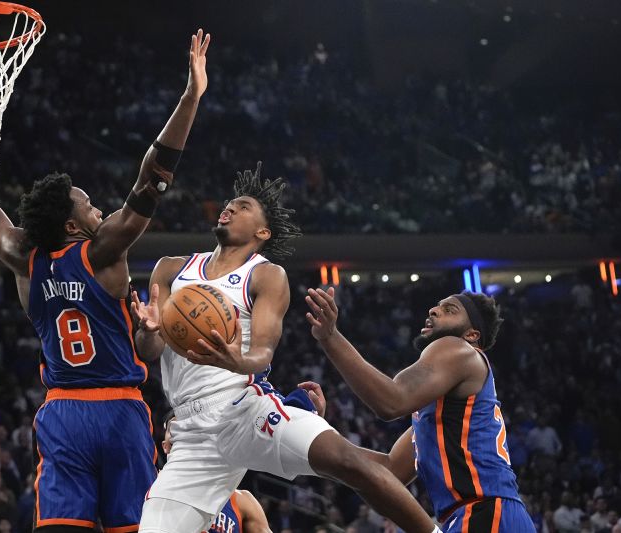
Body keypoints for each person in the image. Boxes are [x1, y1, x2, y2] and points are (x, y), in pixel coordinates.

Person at [0, 29, 211, 532]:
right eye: (88, 204)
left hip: (63, 413)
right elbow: (151, 178)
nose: (97, 208)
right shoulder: (104, 250)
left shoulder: (22, 258)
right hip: (119, 411)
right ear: (73, 225)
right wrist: (191, 97)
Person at [132, 165, 439, 533]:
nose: (229, 207)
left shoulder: (265, 275)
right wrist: (149, 330)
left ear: (263, 232)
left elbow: (263, 352)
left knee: (347, 460)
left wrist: (236, 361)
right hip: (189, 431)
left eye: (242, 206)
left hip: (243, 409)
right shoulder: (170, 270)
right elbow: (149, 351)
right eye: (229, 203)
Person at [304, 288, 537, 532]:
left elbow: (390, 402)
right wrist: (318, 433)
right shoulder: (440, 414)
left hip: (486, 513)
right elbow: (390, 471)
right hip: (491, 515)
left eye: (450, 310)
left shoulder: (457, 348)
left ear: (471, 334)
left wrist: (330, 337)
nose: (433, 310)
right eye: (437, 305)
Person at [162, 382, 326, 533]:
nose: (183, 434)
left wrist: (309, 428)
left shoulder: (242, 502)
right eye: (176, 430)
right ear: (165, 446)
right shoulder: (148, 483)